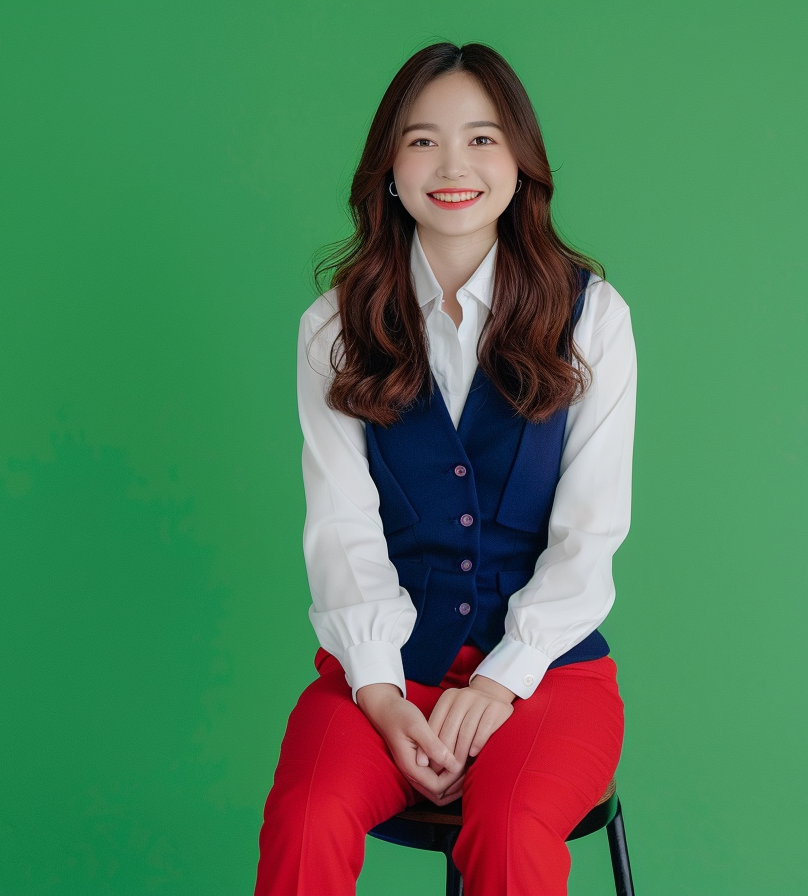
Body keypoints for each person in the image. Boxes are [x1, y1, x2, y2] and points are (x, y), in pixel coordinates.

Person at [253, 40, 637, 896]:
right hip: (386, 666)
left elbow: (590, 535)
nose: (453, 164)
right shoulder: (335, 326)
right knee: (306, 817)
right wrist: (384, 696)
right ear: (388, 167)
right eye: (423, 140)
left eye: (483, 139)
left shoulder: (593, 316)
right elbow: (341, 528)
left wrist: (501, 681)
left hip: (549, 675)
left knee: (508, 830)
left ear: (520, 162)